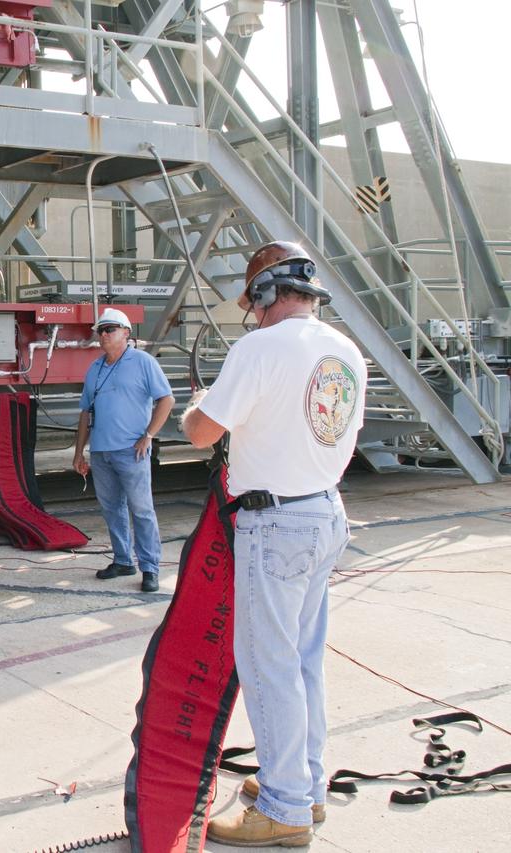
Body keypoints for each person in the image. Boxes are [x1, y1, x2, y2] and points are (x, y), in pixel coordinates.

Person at [182, 241, 367, 847]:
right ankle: (304, 786)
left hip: (276, 525)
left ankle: (285, 807)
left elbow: (202, 433)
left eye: (254, 303)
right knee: (303, 661)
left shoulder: (259, 347)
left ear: (264, 294)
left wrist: (196, 407)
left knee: (270, 668)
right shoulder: (346, 351)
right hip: (325, 514)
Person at [72, 307, 174, 593]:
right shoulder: (95, 368)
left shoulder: (143, 362)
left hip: (132, 451)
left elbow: (166, 399)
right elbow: (85, 413)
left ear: (126, 333)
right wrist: (79, 452)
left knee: (141, 510)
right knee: (112, 509)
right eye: (101, 330)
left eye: (110, 329)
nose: (103, 335)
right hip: (102, 452)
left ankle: (150, 568)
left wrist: (149, 435)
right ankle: (122, 559)